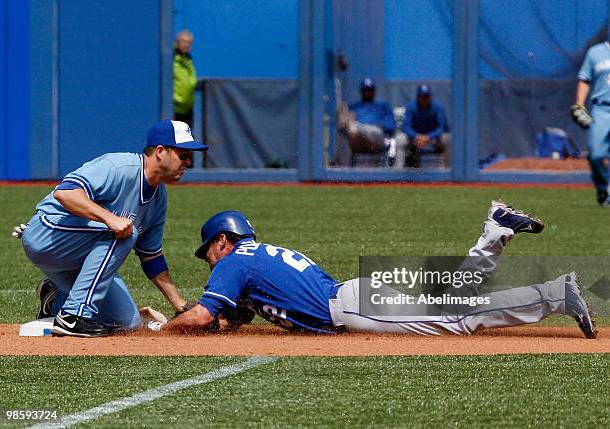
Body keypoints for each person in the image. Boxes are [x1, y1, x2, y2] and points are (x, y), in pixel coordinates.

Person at [152, 202, 597, 339]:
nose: (208, 259)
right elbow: (236, 316)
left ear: (222, 241)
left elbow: (204, 316)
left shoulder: (233, 261)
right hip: (356, 294)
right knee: (456, 301)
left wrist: (165, 328)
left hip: (352, 306)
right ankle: (506, 242)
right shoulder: (257, 256)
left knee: (460, 315)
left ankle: (536, 276)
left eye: (207, 251)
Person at [19, 120, 208, 337]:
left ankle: (56, 299)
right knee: (126, 232)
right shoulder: (118, 167)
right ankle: (72, 316)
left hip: (76, 262)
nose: (188, 163)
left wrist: (180, 305)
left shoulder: (158, 199)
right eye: (183, 156)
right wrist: (109, 219)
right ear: (160, 151)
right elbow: (66, 193)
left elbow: (151, 257)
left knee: (127, 322)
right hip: (48, 234)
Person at [571, 42, 610, 206]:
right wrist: (579, 104)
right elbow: (585, 78)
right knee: (596, 154)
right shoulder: (596, 52)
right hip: (602, 109)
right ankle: (604, 187)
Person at [338, 78, 397, 166]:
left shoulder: (383, 105)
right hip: (357, 139)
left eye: (370, 90)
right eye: (366, 90)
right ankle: (344, 171)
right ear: (361, 91)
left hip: (377, 137)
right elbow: (342, 130)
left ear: (374, 91)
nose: (368, 92)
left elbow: (391, 126)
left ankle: (356, 128)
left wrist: (376, 125)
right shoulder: (354, 106)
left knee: (356, 128)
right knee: (345, 132)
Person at [396, 84, 450, 168]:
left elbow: (442, 127)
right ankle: (397, 173)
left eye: (427, 96)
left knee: (447, 138)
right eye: (422, 96)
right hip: (415, 138)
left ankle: (450, 172)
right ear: (418, 97)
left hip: (433, 138)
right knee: (400, 139)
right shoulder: (411, 106)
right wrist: (416, 136)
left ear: (430, 96)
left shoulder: (437, 106)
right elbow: (406, 127)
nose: (425, 99)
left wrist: (428, 136)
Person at [173, 30, 198, 129]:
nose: (186, 45)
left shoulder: (188, 59)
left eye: (189, 42)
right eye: (184, 42)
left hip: (188, 109)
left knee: (187, 140)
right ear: (177, 42)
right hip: (174, 108)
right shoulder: (172, 59)